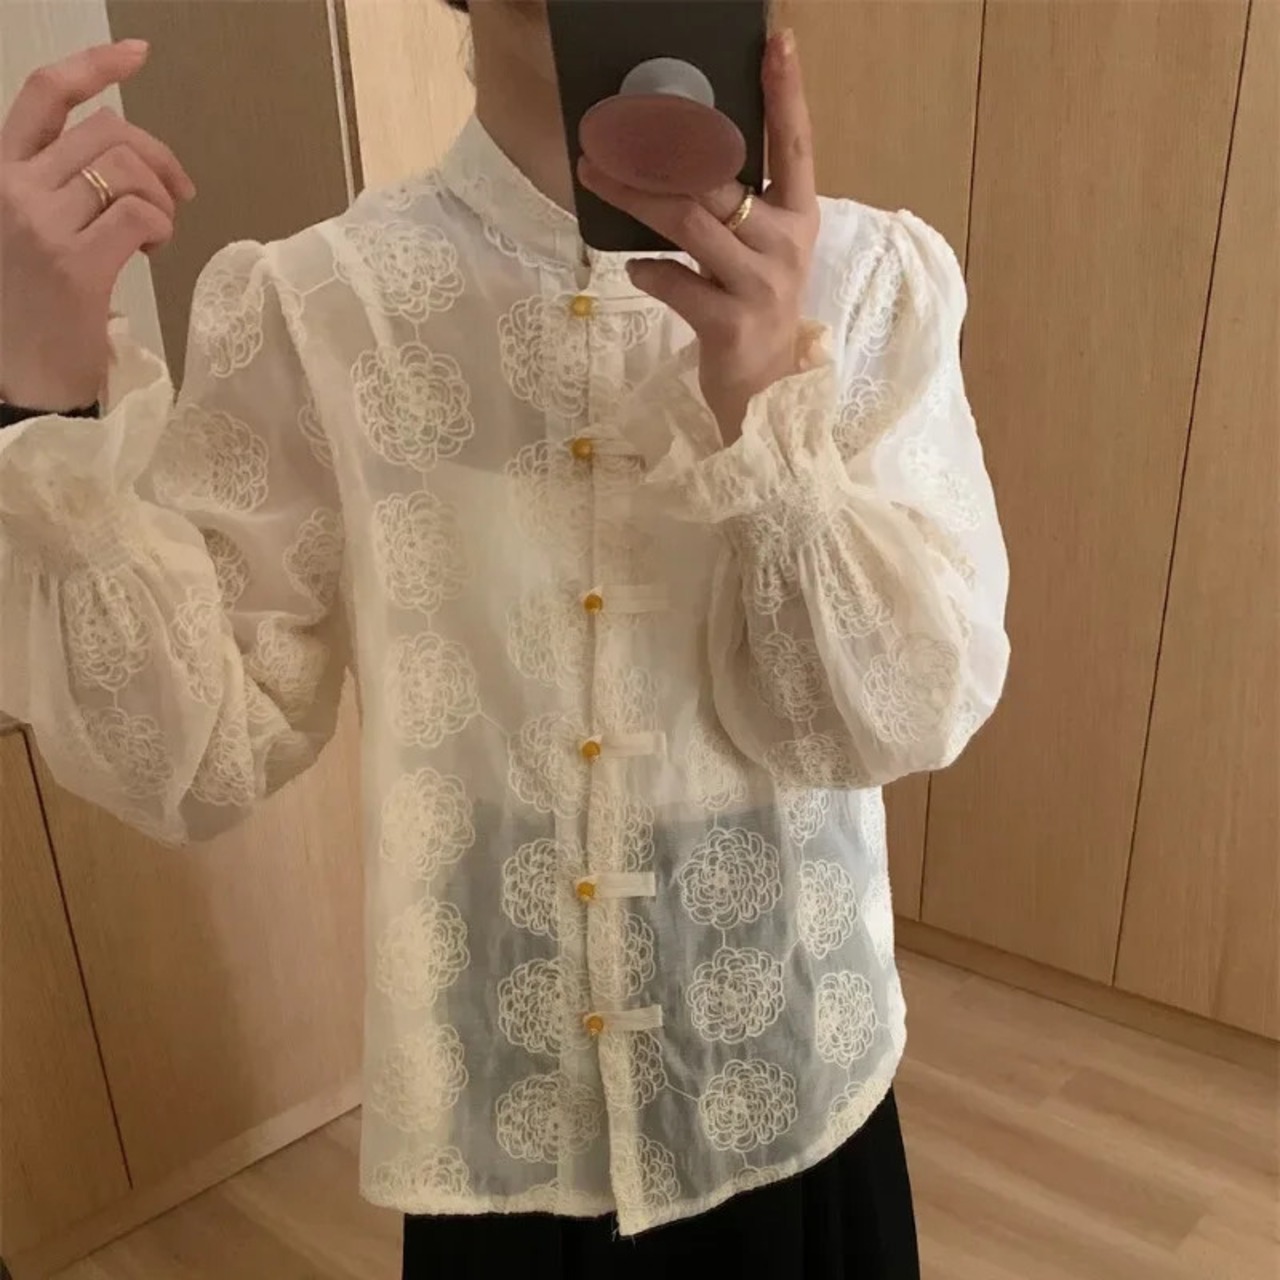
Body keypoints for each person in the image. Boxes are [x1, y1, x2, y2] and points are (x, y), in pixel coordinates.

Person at [0, 3, 1009, 1276]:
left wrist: (767, 413)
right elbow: (195, 757)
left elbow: (905, 712)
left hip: (787, 1082)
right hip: (506, 1099)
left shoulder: (868, 283)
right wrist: (40, 398)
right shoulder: (319, 305)